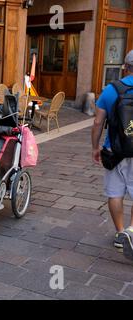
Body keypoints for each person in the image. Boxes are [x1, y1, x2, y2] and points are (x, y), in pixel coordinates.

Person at [91, 50, 133, 259]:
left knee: (115, 193)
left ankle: (120, 231)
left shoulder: (111, 90)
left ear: (125, 67)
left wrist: (95, 147)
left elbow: (98, 122)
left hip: (114, 151)